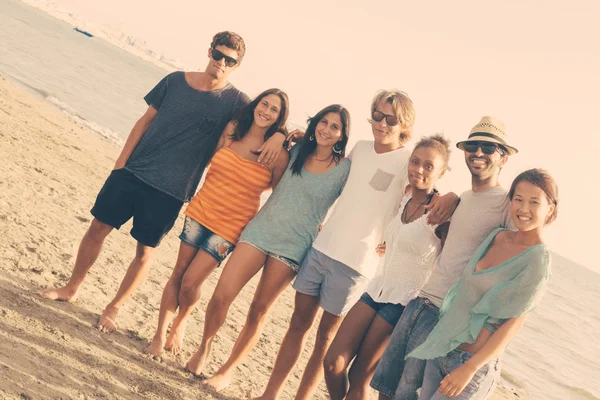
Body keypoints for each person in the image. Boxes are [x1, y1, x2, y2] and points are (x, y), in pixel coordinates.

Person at [39, 31, 286, 333]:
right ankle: (71, 288)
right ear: (209, 52)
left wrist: (282, 135)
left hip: (172, 190)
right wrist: (120, 164)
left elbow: (267, 119)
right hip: (133, 172)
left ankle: (114, 308)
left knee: (145, 252)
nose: (221, 62)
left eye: (229, 60)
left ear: (237, 64)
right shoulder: (175, 80)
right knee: (97, 229)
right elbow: (144, 121)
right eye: (218, 55)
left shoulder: (237, 103)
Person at [255, 91, 458, 400]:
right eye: (377, 115)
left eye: (391, 119)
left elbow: (428, 183)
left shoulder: (407, 160)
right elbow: (327, 161)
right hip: (322, 249)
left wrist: (452, 197)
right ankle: (269, 395)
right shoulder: (360, 149)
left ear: (404, 124)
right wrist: (290, 134)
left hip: (356, 265)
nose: (382, 123)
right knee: (297, 325)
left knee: (326, 343)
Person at [184, 105, 352, 390]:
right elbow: (271, 138)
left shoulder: (345, 169)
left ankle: (227, 370)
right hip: (260, 231)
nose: (326, 129)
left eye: (334, 127)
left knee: (259, 309)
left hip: (293, 245)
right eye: (323, 122)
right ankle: (204, 348)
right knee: (222, 295)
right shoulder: (296, 151)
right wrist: (280, 137)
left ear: (341, 136)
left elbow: (369, 198)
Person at [371, 116, 518, 400]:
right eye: (473, 146)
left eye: (488, 148)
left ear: (503, 158)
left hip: (444, 317)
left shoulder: (506, 205)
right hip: (419, 303)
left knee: (407, 395)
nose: (478, 153)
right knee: (386, 390)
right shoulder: (460, 198)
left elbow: (512, 272)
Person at [143, 88, 290, 358]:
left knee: (190, 282)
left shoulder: (278, 155)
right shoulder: (233, 129)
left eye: (274, 110)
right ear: (256, 104)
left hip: (231, 226)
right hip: (201, 210)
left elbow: (278, 194)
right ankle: (159, 336)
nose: (266, 111)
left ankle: (182, 319)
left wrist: (280, 137)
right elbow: (207, 158)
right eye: (264, 104)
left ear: (280, 118)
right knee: (178, 273)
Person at [408, 168, 557, 399]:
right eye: (518, 199)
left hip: (469, 365)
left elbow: (512, 325)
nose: (524, 208)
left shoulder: (537, 260)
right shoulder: (497, 236)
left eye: (534, 201)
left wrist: (469, 368)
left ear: (550, 210)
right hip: (443, 347)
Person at [323, 135, 451, 400]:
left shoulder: (442, 213)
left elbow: (451, 263)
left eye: (429, 166)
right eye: (415, 162)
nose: (419, 169)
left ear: (442, 171)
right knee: (333, 363)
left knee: (359, 377)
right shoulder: (404, 198)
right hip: (376, 289)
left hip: (403, 303)